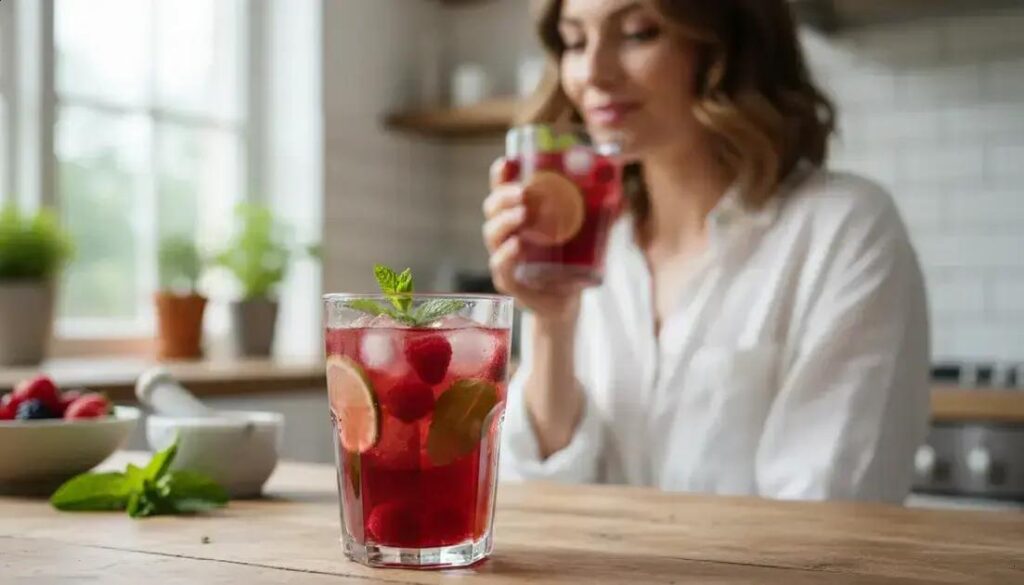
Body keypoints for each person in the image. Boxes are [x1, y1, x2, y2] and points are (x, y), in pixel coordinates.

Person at [482, 0, 930, 503]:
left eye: (638, 33)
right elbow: (542, 493)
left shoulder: (843, 231)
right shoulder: (593, 249)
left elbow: (831, 511)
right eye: (575, 41)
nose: (592, 72)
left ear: (727, 47)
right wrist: (552, 323)